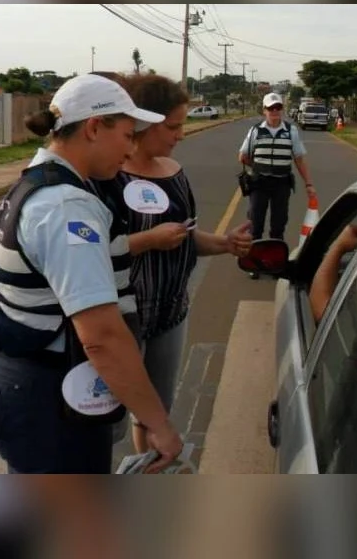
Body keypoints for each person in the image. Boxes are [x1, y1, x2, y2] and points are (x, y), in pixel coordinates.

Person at [0, 73, 184, 474]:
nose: (129, 151)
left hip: (32, 384)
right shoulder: (66, 207)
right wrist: (157, 423)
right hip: (47, 399)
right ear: (93, 128)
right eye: (127, 135)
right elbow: (102, 337)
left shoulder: (46, 184)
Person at [93, 74, 254, 455]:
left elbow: (185, 238)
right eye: (173, 126)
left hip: (170, 313)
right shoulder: (105, 177)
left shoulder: (174, 174)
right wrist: (148, 240)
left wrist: (225, 243)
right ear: (143, 123)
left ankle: (146, 473)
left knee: (156, 412)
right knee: (104, 420)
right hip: (119, 318)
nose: (180, 134)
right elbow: (88, 255)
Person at [239, 93, 317, 278]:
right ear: (264, 110)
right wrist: (259, 167)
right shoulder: (255, 131)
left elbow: (298, 159)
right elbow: (243, 156)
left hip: (281, 184)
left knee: (278, 224)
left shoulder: (291, 131)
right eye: (270, 108)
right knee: (255, 224)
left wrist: (309, 184)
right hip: (259, 183)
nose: (274, 112)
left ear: (281, 109)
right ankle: (254, 264)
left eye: (278, 108)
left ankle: (275, 263)